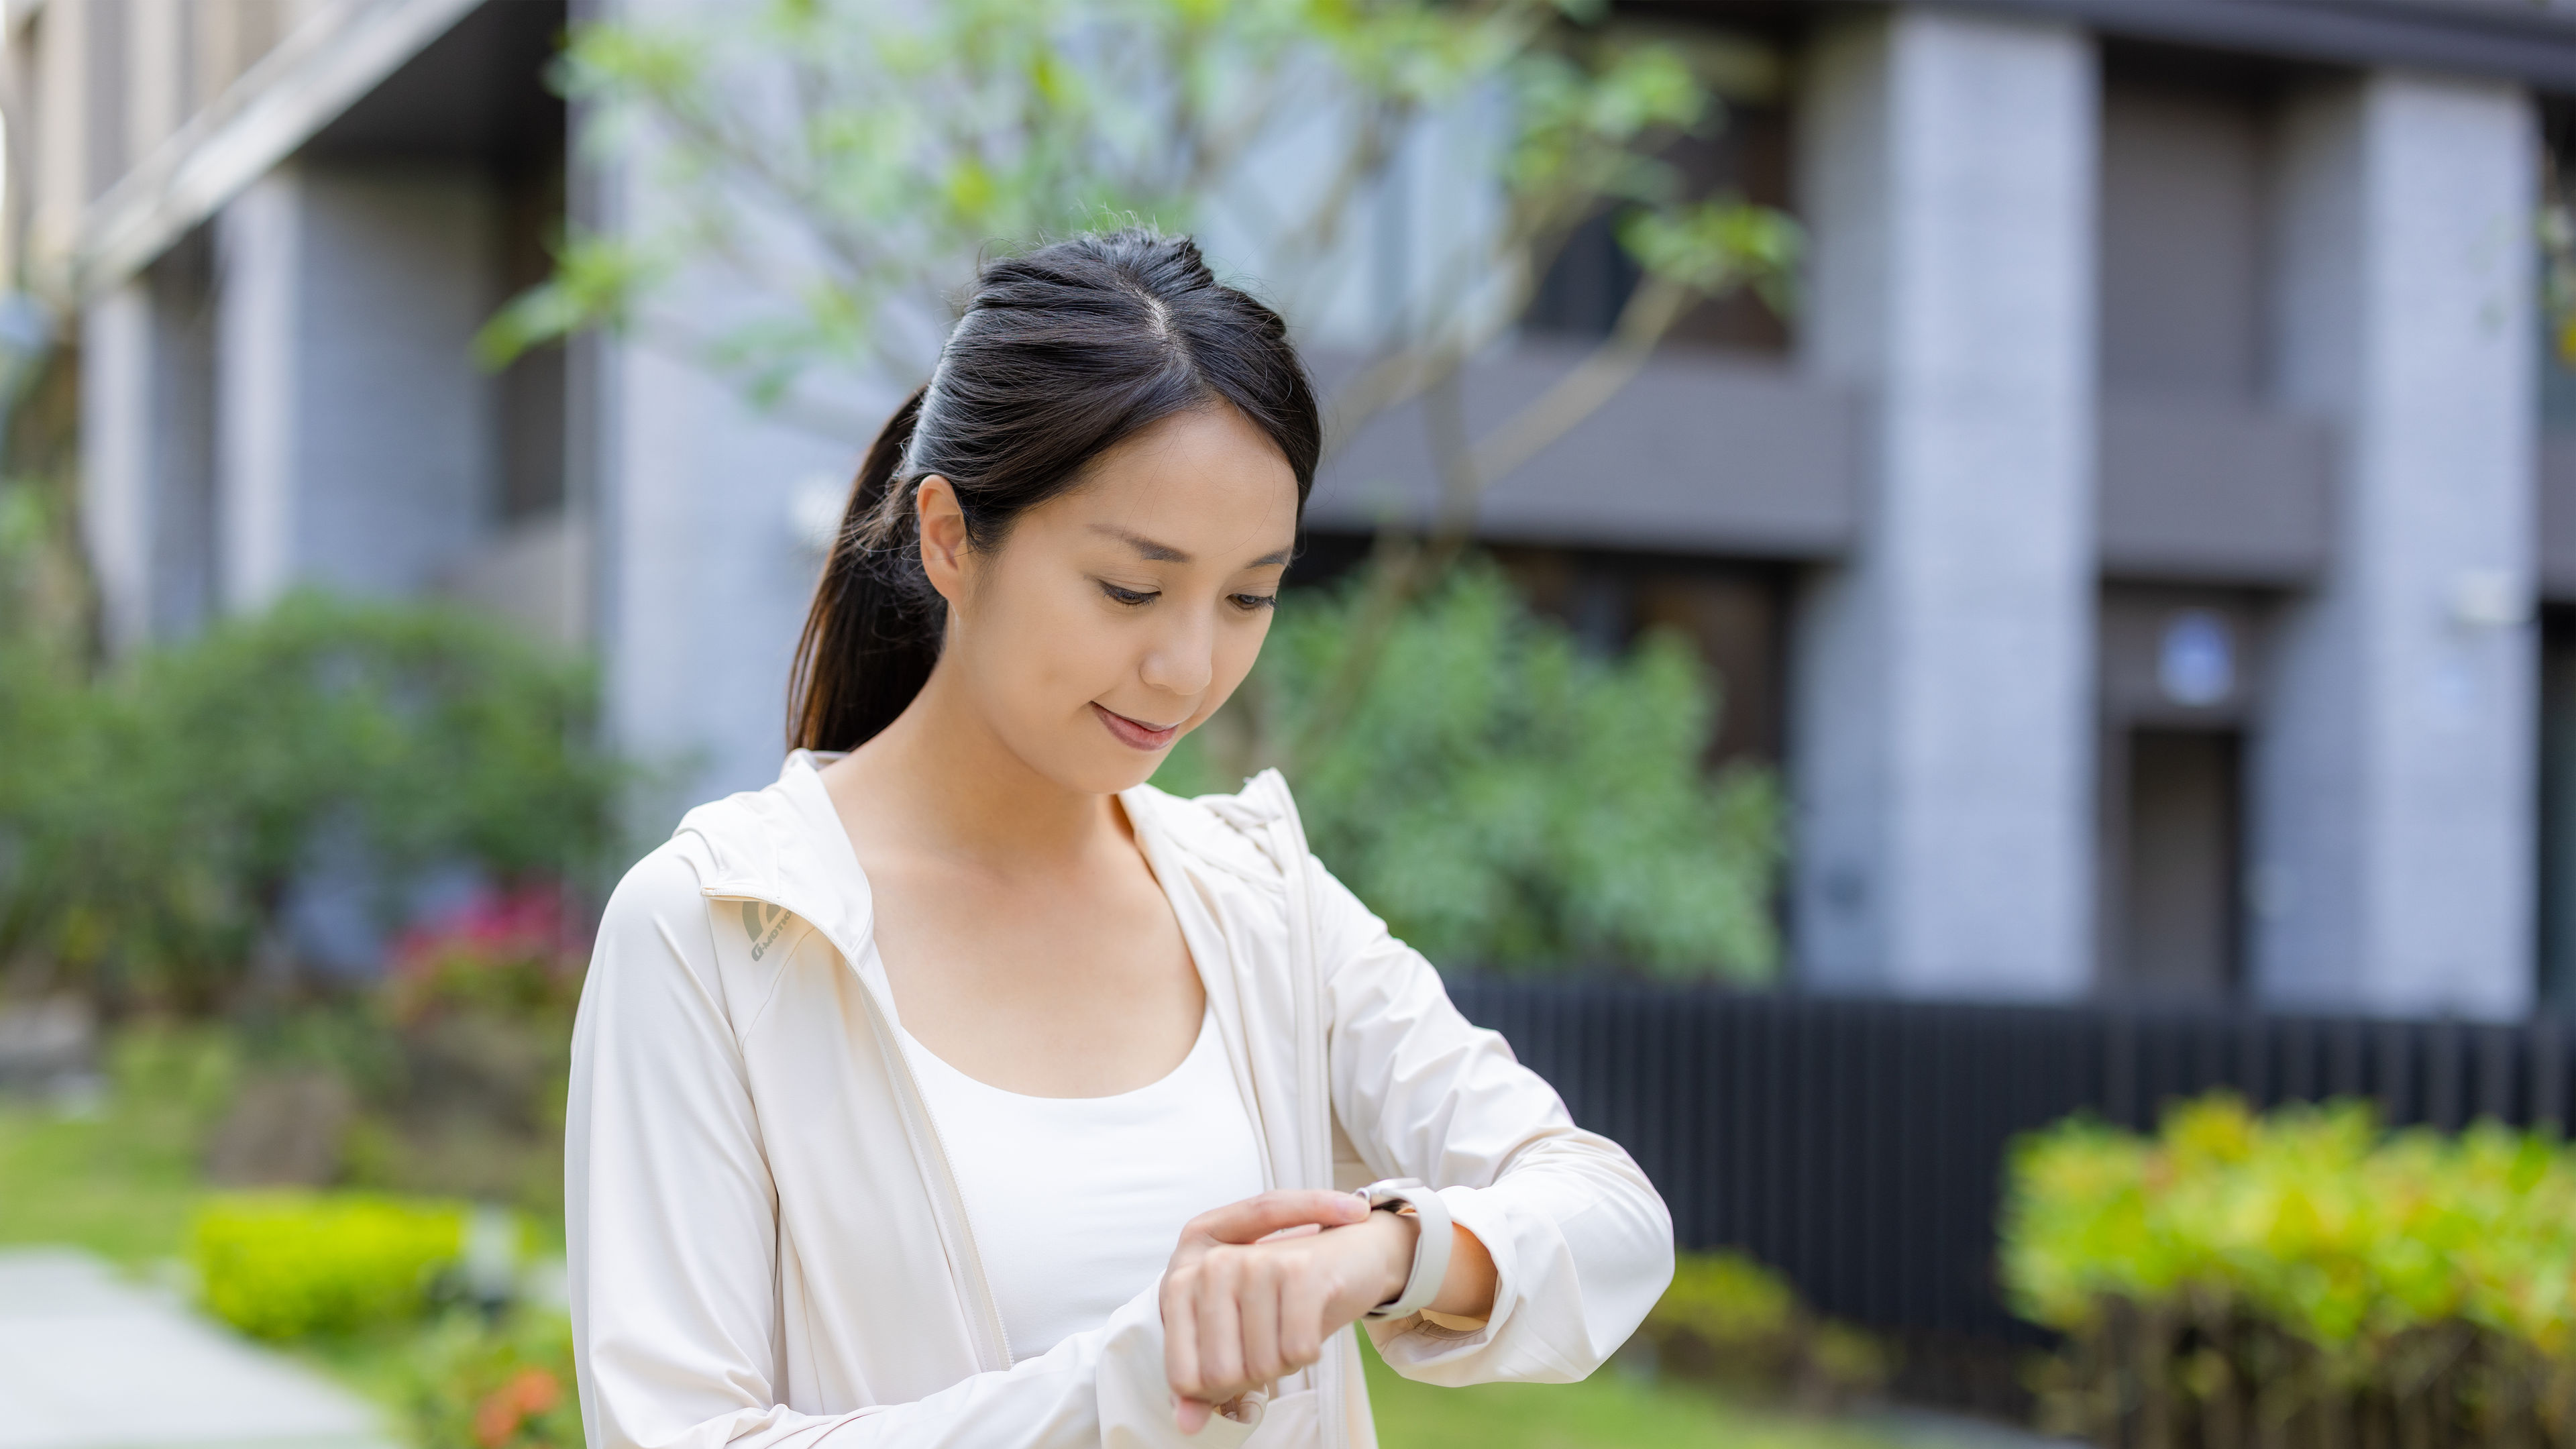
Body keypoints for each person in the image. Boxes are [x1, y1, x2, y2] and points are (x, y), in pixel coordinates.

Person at [564, 229, 1674, 1449]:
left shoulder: (1257, 899)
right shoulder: (728, 931)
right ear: (948, 537)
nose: (1187, 666)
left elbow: (1609, 1218)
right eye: (1131, 590)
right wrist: (1131, 1381)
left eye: (1250, 595)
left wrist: (1381, 1253)